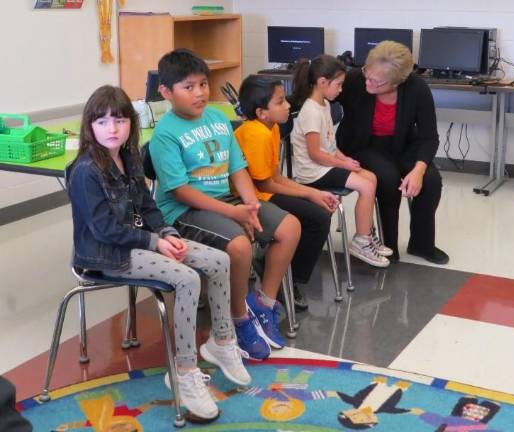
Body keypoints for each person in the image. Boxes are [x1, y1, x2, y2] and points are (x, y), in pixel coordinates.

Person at [66, 85, 250, 421]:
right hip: (105, 255)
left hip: (138, 241)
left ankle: (222, 341)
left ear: (130, 126)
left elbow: (149, 207)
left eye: (120, 121)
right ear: (89, 126)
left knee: (219, 259)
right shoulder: (85, 171)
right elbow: (105, 230)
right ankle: (184, 369)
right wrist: (155, 243)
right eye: (103, 122)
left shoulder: (130, 157)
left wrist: (166, 232)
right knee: (186, 277)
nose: (112, 129)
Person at [149, 49, 301, 360]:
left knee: (290, 227)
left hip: (225, 200)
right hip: (184, 211)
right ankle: (238, 319)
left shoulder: (218, 118)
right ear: (166, 92)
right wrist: (235, 213)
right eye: (188, 87)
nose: (199, 93)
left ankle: (264, 304)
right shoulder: (164, 134)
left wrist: (250, 206)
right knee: (240, 245)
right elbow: (179, 192)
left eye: (203, 84)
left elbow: (237, 169)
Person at [335, 41, 449, 264]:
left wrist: (418, 169)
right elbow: (321, 94)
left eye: (376, 81)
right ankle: (388, 246)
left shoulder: (417, 88)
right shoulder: (355, 80)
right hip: (362, 145)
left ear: (398, 81)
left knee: (431, 180)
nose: (367, 81)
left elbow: (429, 137)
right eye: (367, 73)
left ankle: (421, 244)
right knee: (387, 179)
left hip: (402, 144)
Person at [234, 75, 339, 311]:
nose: (288, 106)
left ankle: (282, 268)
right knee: (318, 217)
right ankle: (286, 277)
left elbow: (276, 177)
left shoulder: (271, 128)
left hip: (265, 190)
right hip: (252, 197)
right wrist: (309, 194)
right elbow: (265, 185)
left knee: (320, 210)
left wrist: (310, 192)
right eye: (280, 102)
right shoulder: (256, 133)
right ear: (262, 112)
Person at [290, 54, 392, 268]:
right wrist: (343, 165)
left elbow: (330, 145)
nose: (341, 90)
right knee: (364, 185)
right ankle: (361, 242)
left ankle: (366, 234)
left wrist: (345, 159)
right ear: (322, 83)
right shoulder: (310, 111)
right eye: (338, 85)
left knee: (371, 177)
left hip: (324, 165)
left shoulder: (325, 105)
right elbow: (314, 154)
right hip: (312, 173)